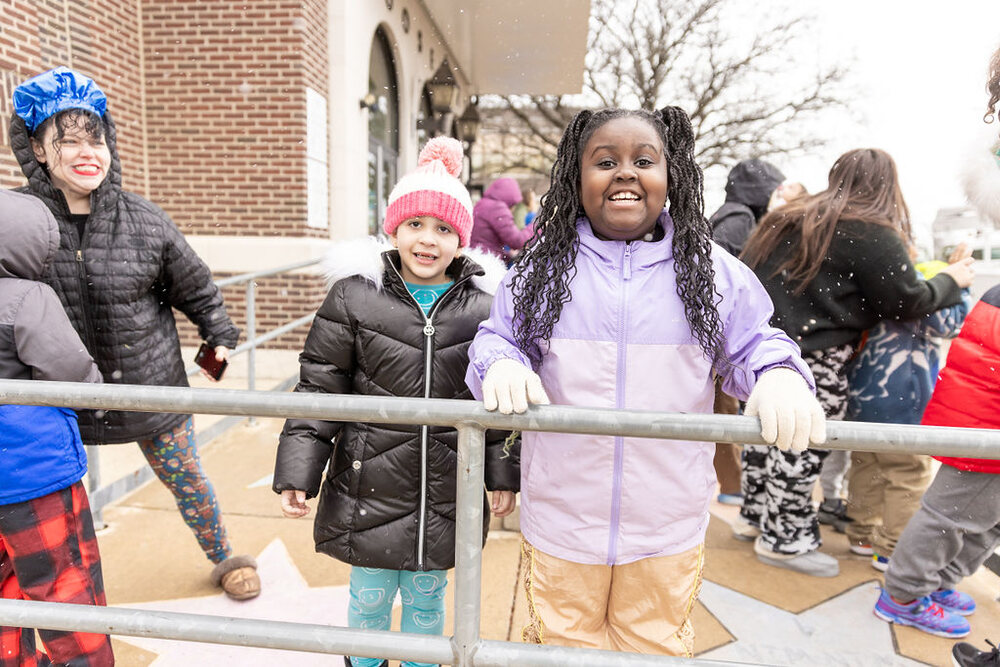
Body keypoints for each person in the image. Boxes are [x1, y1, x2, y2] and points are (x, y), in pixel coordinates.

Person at [466, 106, 825, 657]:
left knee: (653, 647)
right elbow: (498, 337)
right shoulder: (541, 269)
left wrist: (779, 376)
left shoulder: (710, 271)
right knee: (561, 649)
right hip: (563, 517)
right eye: (604, 161)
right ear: (575, 177)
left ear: (671, 175)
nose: (625, 173)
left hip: (668, 520)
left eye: (644, 160)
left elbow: (756, 342)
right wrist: (502, 364)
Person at [8, 67, 257, 600]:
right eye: (67, 141)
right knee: (52, 502)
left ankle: (223, 555)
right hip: (56, 393)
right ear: (37, 149)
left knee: (188, 480)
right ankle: (60, 593)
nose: (86, 152)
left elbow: (194, 285)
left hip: (148, 384)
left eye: (94, 137)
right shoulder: (18, 218)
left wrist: (218, 335)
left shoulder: (142, 217)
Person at [273, 137, 518, 667]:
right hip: (370, 479)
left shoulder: (484, 308)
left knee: (428, 601)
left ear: (462, 240)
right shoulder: (355, 296)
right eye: (415, 225)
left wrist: (501, 472)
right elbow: (321, 385)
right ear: (394, 228)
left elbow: (496, 396)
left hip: (447, 483)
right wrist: (298, 468)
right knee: (369, 596)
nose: (427, 241)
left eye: (444, 229)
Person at [740, 148, 975, 577]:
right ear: (888, 184)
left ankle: (754, 517)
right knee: (799, 446)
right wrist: (952, 280)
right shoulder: (868, 229)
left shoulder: (788, 217)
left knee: (762, 439)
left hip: (755, 349)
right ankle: (784, 541)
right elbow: (907, 299)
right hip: (816, 356)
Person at [0, 190, 113, 666]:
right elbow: (68, 370)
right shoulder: (29, 296)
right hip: (31, 474)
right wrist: (98, 396)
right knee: (65, 583)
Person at [871, 281, 1000, 639]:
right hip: (989, 418)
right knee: (950, 516)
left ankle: (934, 582)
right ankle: (904, 594)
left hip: (981, 413)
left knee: (979, 516)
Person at [844, 248, 972, 571]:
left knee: (865, 466)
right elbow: (952, 324)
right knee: (908, 473)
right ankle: (890, 548)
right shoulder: (913, 292)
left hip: (862, 396)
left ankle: (861, 535)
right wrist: (959, 282)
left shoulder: (870, 283)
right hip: (902, 400)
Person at [708, 158, 785, 506]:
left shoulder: (730, 214)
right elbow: (722, 279)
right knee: (724, 412)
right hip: (721, 336)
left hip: (718, 333)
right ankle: (732, 486)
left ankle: (732, 484)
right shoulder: (739, 219)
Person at [468, 177, 534, 263]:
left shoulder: (482, 204)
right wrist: (536, 226)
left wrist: (507, 255)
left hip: (476, 257)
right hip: (488, 265)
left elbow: (486, 241)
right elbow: (517, 241)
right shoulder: (497, 208)